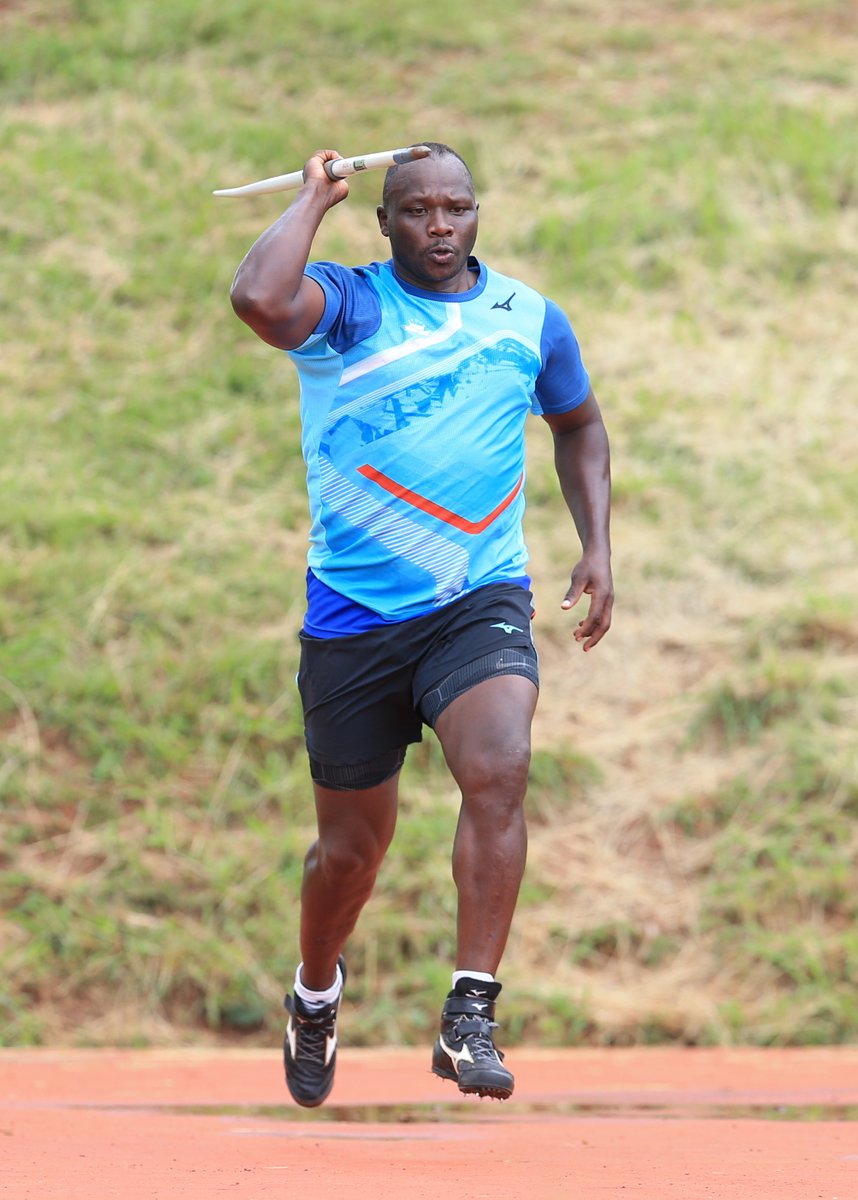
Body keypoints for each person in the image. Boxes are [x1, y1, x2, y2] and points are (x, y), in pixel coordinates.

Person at [229, 142, 613, 1107]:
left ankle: (469, 1010)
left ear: (477, 214)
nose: (440, 227)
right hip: (353, 616)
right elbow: (258, 303)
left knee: (500, 766)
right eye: (417, 211)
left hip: (477, 598)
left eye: (457, 208)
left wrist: (596, 545)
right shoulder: (348, 303)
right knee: (349, 855)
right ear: (385, 220)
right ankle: (317, 990)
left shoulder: (527, 318)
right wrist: (313, 198)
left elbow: (579, 423)